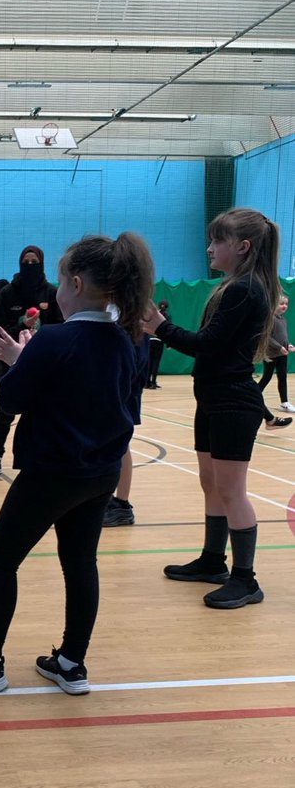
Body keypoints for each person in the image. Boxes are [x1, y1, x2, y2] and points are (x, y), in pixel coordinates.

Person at [0, 231, 155, 696]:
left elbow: (12, 400)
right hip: (101, 473)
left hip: (51, 473)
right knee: (80, 563)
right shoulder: (130, 340)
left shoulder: (55, 340)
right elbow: (120, 405)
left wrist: (21, 360)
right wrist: (28, 358)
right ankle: (72, 662)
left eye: (58, 280)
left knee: (0, 557)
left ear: (75, 283)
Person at [143, 207, 280, 609]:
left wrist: (160, 327)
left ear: (242, 247)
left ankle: (246, 579)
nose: (209, 248)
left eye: (216, 241)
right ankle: (212, 560)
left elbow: (206, 343)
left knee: (231, 489)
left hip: (232, 401)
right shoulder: (235, 286)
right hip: (213, 398)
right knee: (211, 482)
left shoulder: (246, 289)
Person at [0, 246, 63, 478]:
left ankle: (43, 458)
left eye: (34, 261)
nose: (30, 265)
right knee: (5, 410)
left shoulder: (51, 293)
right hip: (12, 361)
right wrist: (23, 326)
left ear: (42, 263)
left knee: (45, 411)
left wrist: (41, 335)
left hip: (45, 362)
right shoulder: (8, 293)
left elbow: (60, 326)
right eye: (26, 261)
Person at [102, 327, 151, 527]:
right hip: (111, 390)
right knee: (107, 443)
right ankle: (105, 498)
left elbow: (136, 362)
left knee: (121, 443)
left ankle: (122, 504)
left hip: (123, 392)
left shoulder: (134, 320)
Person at [258, 292, 294, 413]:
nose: (284, 306)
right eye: (281, 303)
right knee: (267, 377)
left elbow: (282, 336)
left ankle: (284, 403)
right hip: (271, 354)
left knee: (282, 377)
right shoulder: (269, 319)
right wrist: (279, 347)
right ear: (274, 304)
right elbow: (267, 337)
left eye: (286, 304)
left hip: (282, 354)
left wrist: (287, 345)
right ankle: (255, 396)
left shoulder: (283, 320)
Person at [145, 299, 169, 387]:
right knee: (156, 362)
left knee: (149, 361)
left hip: (150, 339)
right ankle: (153, 382)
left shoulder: (155, 314)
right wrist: (168, 343)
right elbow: (167, 330)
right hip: (159, 340)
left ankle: (147, 382)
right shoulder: (166, 316)